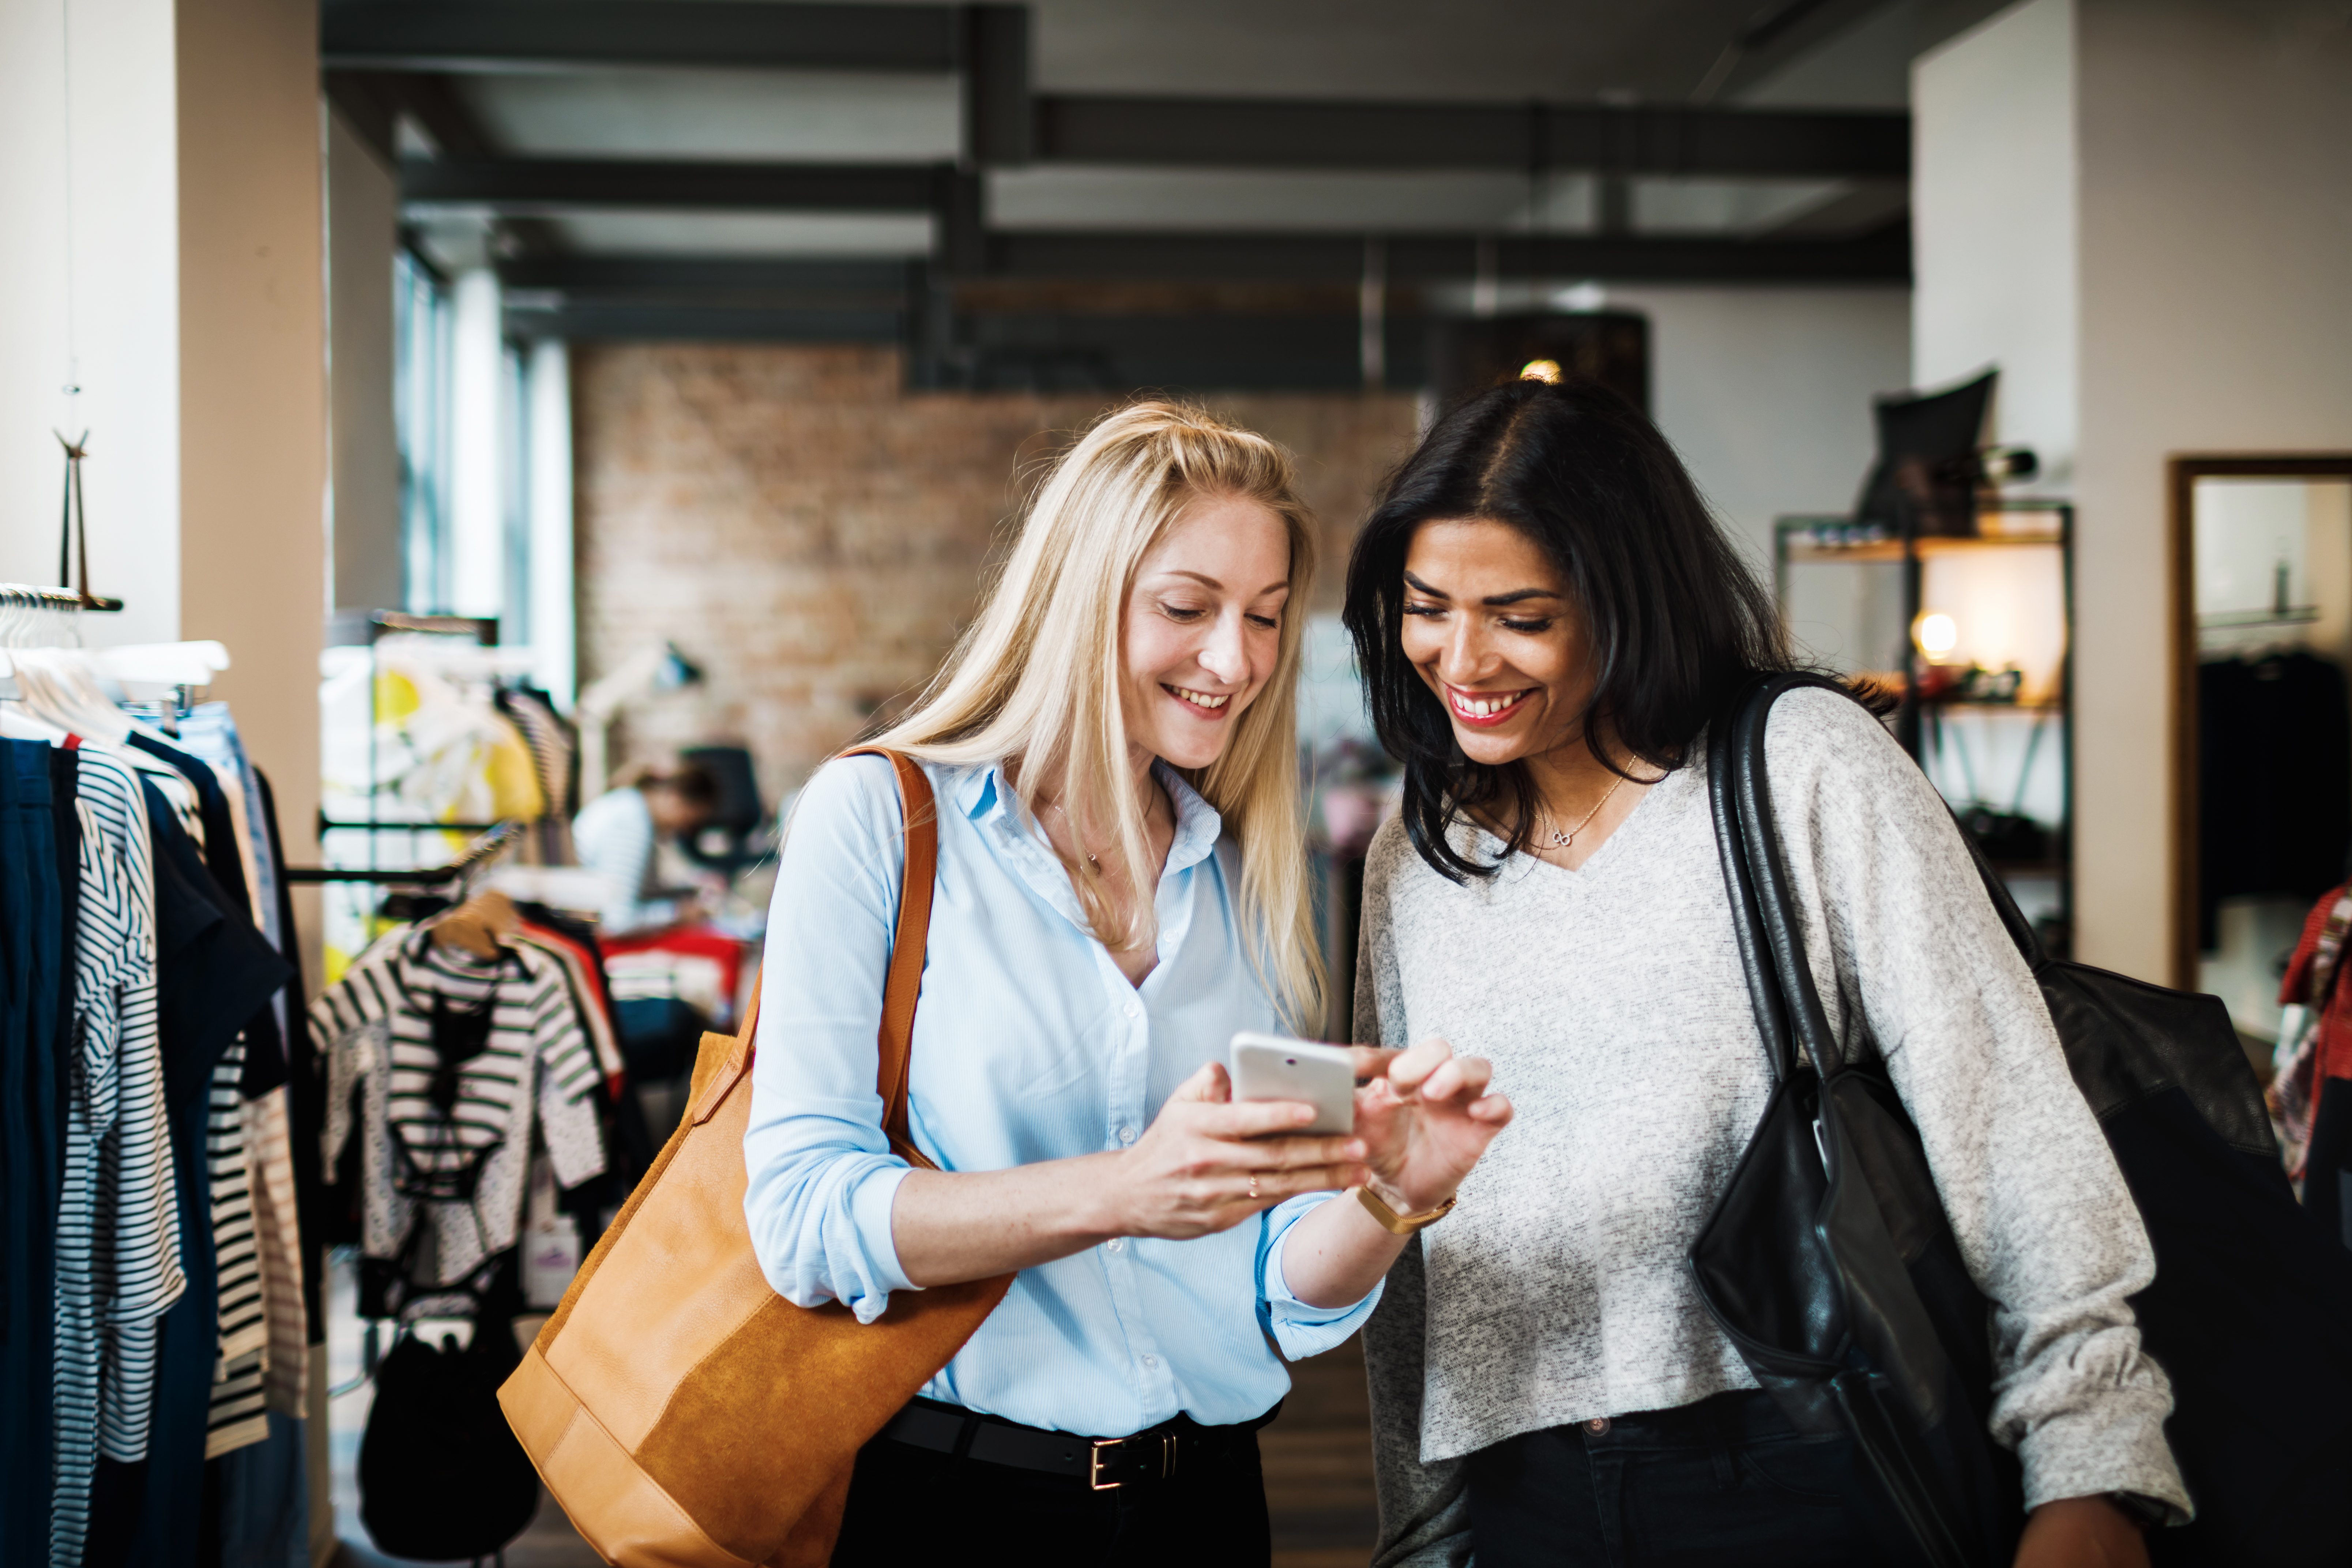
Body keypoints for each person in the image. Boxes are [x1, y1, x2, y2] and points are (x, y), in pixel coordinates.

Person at [1340, 378, 2187, 1567]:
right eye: (1428, 607)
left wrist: (2089, 1456)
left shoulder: (1799, 767)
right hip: (1525, 1494)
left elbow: (2001, 1107)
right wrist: (1420, 1526)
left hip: (1799, 1458)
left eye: (1520, 615)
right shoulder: (1420, 850)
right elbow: (1416, 1216)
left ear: (1625, 600)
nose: (1461, 657)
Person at [741, 401, 1514, 1567]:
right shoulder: (881, 818)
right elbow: (801, 1217)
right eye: (1185, 607)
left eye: (1262, 618)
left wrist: (1391, 1197)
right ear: (1076, 597)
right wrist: (1122, 1189)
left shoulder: (1257, 866)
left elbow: (1271, 1280)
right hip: (951, 1504)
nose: (1234, 661)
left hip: (1200, 1506)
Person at [571, 761, 718, 935]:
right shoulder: (631, 819)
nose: (685, 832)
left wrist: (685, 893)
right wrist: (678, 913)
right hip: (591, 936)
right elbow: (618, 922)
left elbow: (637, 893)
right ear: (675, 798)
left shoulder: (632, 806)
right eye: (691, 823)